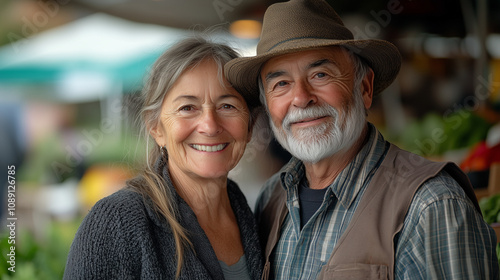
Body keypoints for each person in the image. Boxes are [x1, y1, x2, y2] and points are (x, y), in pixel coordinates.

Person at [224, 0, 499, 279]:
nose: (301, 98)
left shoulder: (432, 205)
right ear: (268, 103)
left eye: (320, 74)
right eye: (281, 83)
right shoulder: (272, 198)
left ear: (364, 88)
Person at [64, 36, 264, 279]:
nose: (210, 126)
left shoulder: (257, 217)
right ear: (156, 128)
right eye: (187, 108)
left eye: (227, 106)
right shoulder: (115, 223)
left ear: (250, 125)